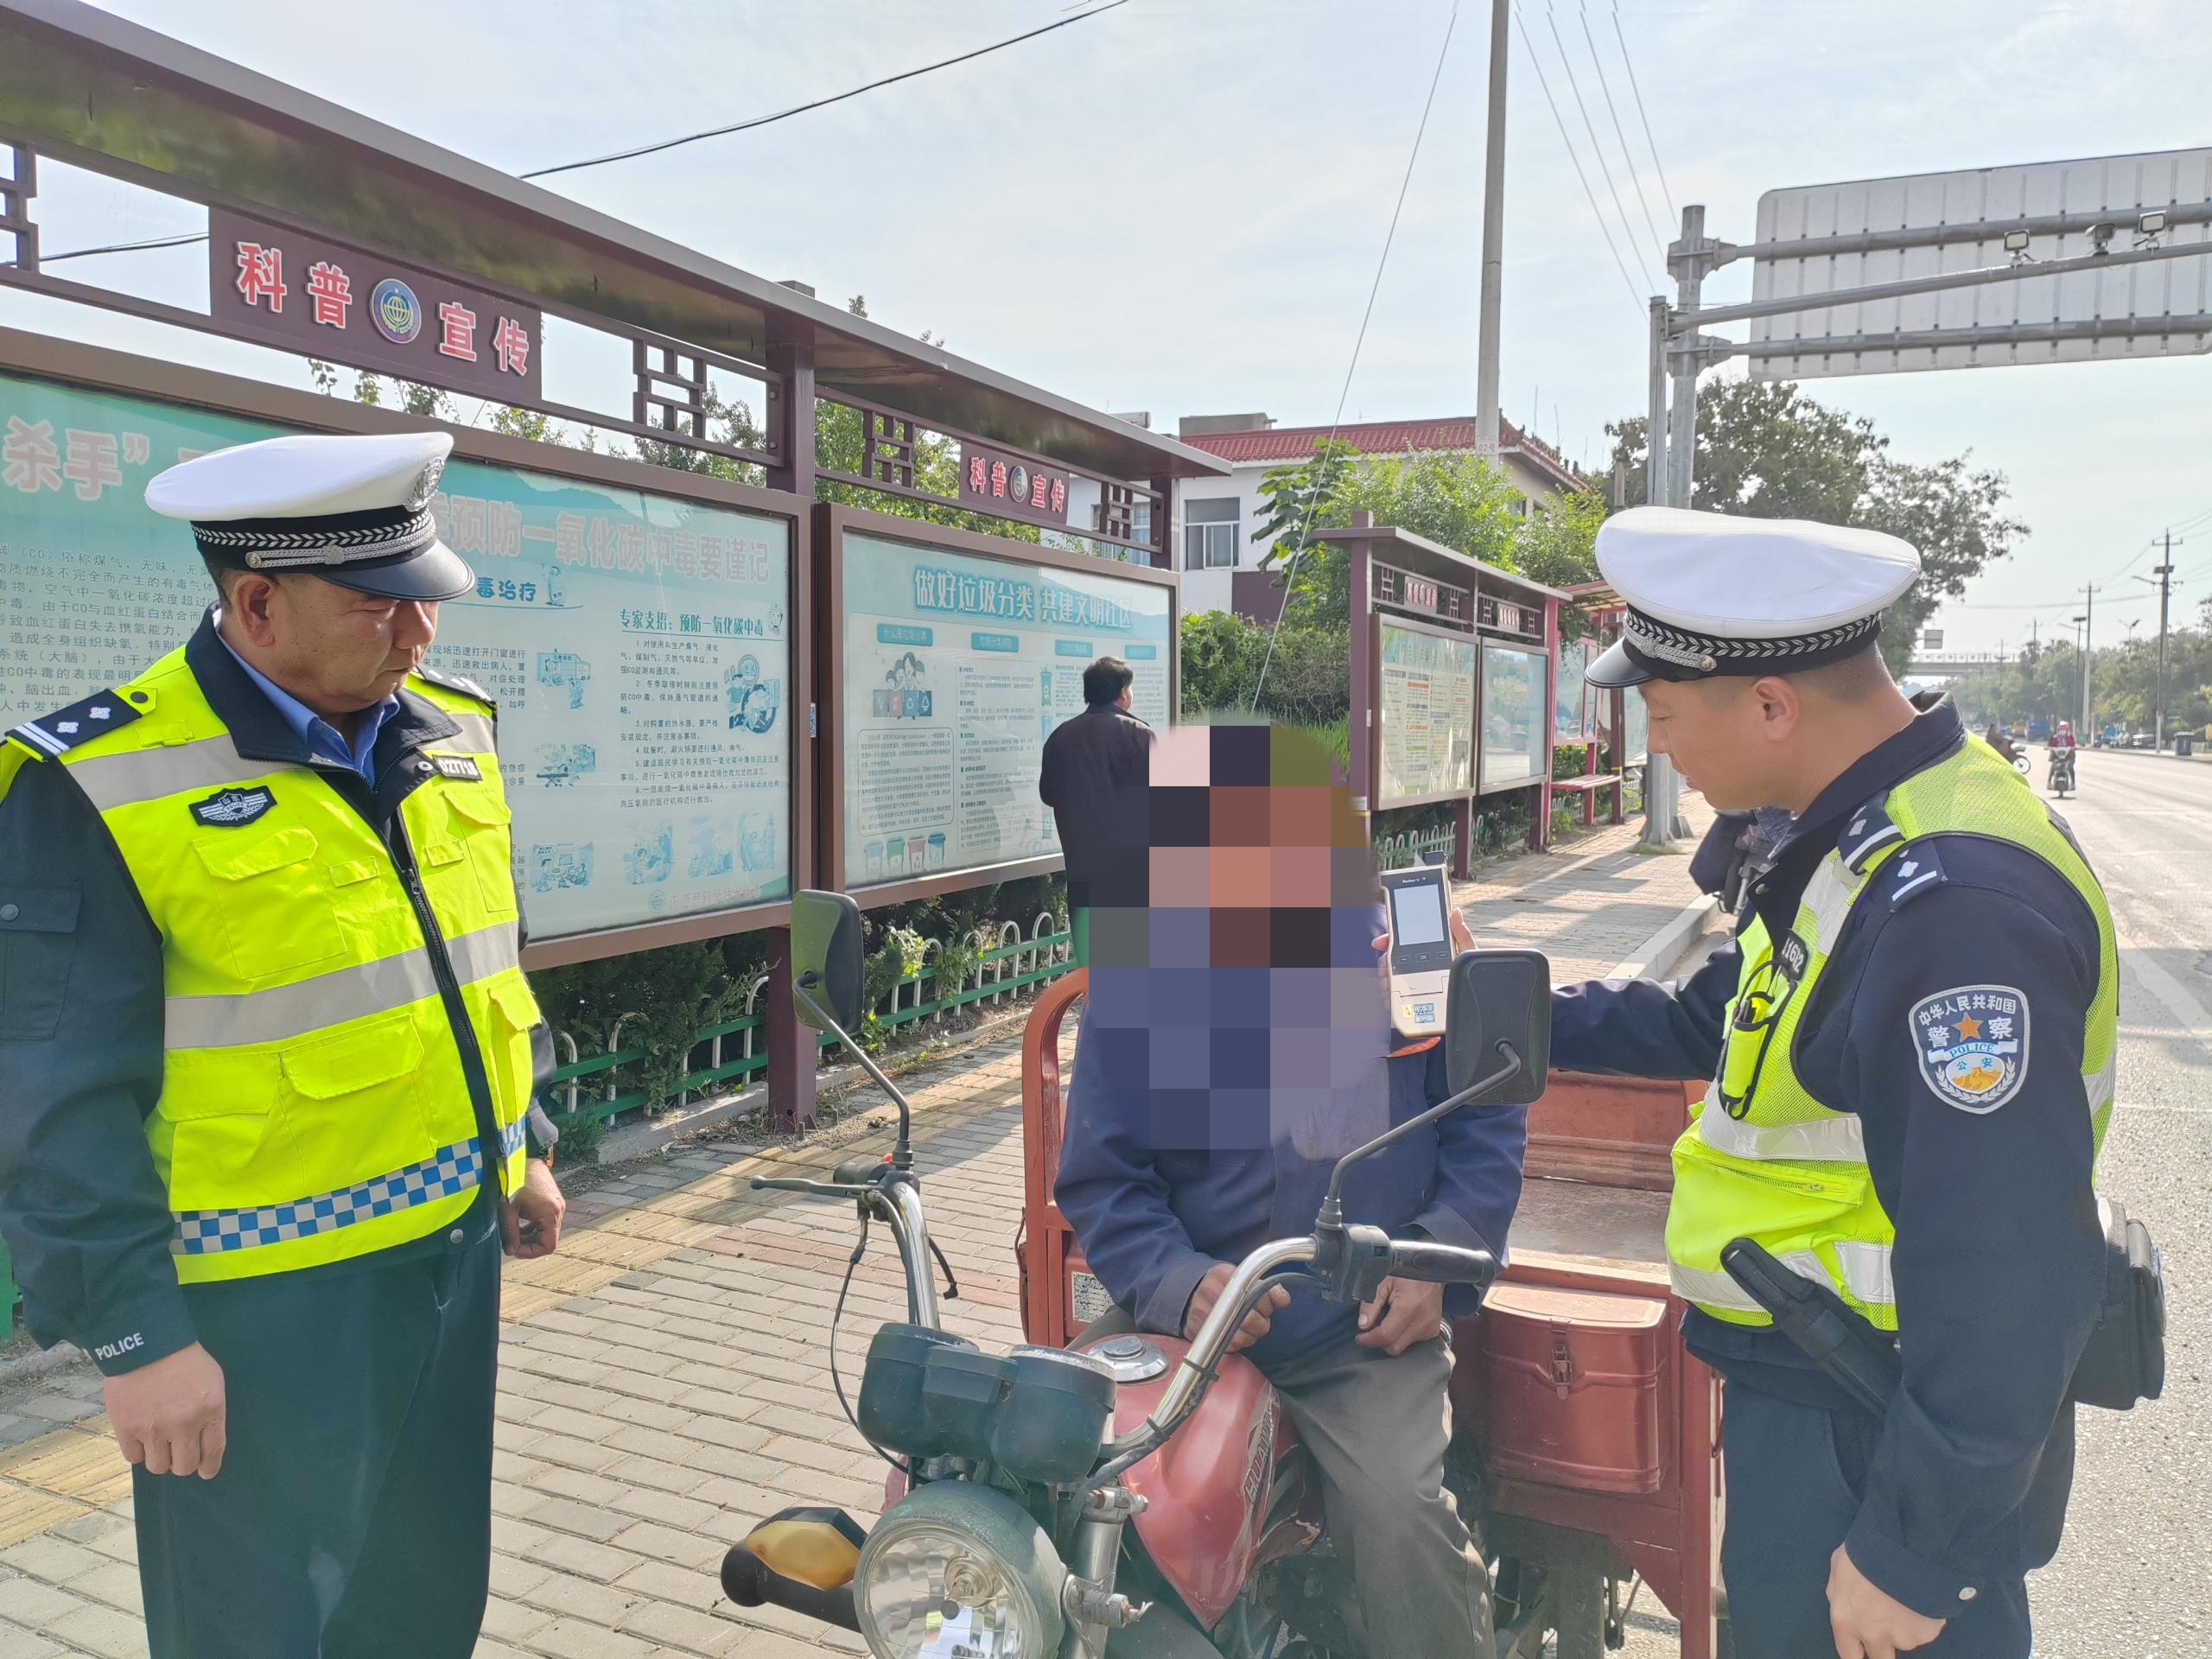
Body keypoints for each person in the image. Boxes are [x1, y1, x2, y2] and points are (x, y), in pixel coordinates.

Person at [0, 431, 568, 1658]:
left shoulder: (452, 732)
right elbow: (51, 1099)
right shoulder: (99, 782)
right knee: (254, 1631)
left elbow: (473, 965)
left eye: (426, 599)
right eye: (380, 606)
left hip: (449, 1259)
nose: (419, 633)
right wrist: (139, 1338)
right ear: (257, 603)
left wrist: (520, 1141)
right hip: (255, 1315)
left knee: (423, 1606)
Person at [1544, 507, 2114, 1659]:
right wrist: (1483, 1007)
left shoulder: (1951, 909)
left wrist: (1915, 1548)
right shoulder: (1859, 840)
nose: (1658, 748)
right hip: (1829, 1392)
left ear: (1771, 706)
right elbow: (1723, 1021)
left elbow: (2007, 1260)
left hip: (1874, 1426)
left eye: (1665, 714)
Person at [1055, 722, 1526, 1659]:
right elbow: (1104, 1176)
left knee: (1397, 1516)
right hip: (1186, 1329)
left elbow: (1486, 1122)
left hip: (1358, 1331)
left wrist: (1436, 1263)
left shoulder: (1404, 957)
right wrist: (1178, 1281)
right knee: (1049, 1469)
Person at [1038, 655, 1153, 965]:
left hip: (1082, 876)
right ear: (1123, 693)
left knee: (1091, 968)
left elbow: (1048, 795)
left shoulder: (1060, 737)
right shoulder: (1139, 735)